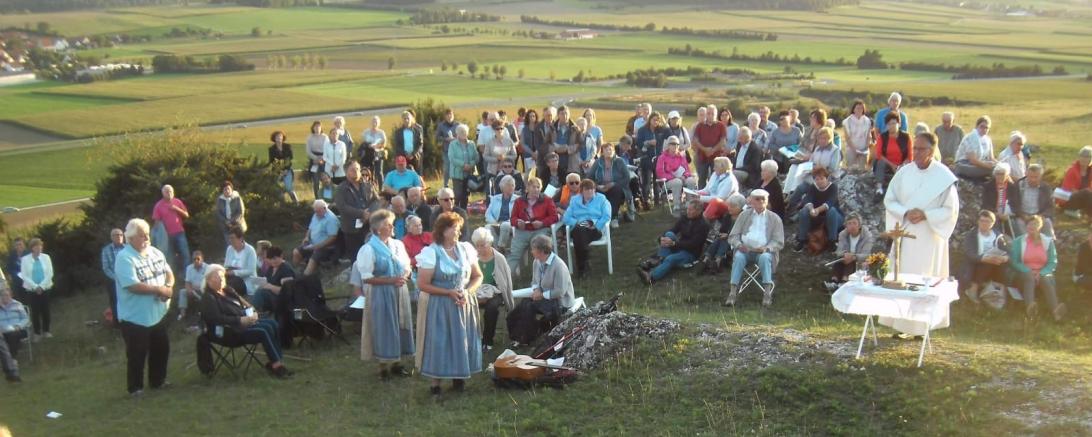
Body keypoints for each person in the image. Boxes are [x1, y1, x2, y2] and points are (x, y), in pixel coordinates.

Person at [414, 212, 484, 397]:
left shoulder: (466, 249)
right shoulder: (431, 253)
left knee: (462, 338)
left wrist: (467, 292)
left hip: (462, 303)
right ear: (443, 231)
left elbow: (477, 276)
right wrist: (448, 292)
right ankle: (435, 384)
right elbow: (422, 284)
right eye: (454, 228)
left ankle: (458, 377)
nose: (458, 232)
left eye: (459, 228)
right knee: (440, 340)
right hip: (440, 304)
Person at [884, 132, 960, 277]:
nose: (916, 152)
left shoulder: (943, 177)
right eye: (915, 148)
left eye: (921, 149)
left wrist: (926, 215)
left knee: (925, 277)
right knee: (902, 276)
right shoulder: (904, 173)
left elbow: (951, 210)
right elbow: (890, 200)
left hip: (929, 235)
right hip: (906, 231)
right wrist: (905, 212)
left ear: (930, 151)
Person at [114, 218, 174, 396]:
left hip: (157, 313)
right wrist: (158, 289)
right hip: (135, 317)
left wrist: (168, 287)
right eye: (142, 236)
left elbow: (168, 272)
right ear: (130, 239)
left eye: (147, 234)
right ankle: (135, 388)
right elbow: (132, 285)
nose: (146, 238)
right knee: (137, 354)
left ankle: (158, 381)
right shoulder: (124, 258)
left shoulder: (155, 252)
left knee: (161, 348)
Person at [201, 264, 291, 378]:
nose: (222, 279)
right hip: (229, 332)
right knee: (263, 331)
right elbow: (217, 319)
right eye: (218, 276)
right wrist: (239, 320)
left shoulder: (228, 291)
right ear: (209, 280)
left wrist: (252, 314)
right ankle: (276, 366)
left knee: (272, 324)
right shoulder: (208, 298)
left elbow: (244, 305)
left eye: (223, 276)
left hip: (243, 324)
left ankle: (276, 362)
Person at [354, 210, 415, 379]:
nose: (392, 227)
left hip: (398, 289)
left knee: (399, 324)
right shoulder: (368, 249)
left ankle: (396, 363)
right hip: (380, 293)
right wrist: (391, 281)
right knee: (383, 326)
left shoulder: (397, 245)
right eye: (389, 225)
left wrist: (404, 276)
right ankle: (383, 366)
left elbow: (407, 265)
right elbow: (367, 278)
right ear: (379, 229)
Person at [507, 234, 574, 346]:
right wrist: (537, 289)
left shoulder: (559, 266)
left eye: (533, 249)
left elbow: (560, 291)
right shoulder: (537, 262)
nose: (531, 251)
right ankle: (518, 337)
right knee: (521, 306)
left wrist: (542, 295)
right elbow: (534, 282)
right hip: (543, 296)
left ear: (542, 251)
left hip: (560, 302)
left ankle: (527, 338)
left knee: (529, 307)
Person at [726, 189, 785, 307]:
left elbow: (779, 241)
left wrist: (767, 248)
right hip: (745, 250)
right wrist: (739, 245)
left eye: (764, 199)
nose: (761, 201)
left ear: (767, 201)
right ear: (751, 201)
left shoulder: (775, 218)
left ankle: (767, 293)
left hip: (763, 251)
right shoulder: (744, 215)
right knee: (738, 257)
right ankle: (732, 293)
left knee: (765, 258)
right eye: (757, 199)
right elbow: (733, 236)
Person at [637, 200, 709, 285]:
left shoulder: (703, 225)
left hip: (691, 253)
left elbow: (693, 244)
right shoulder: (684, 218)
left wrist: (674, 244)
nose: (688, 211)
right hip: (680, 246)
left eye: (690, 210)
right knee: (669, 234)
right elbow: (674, 229)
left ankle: (651, 277)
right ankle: (659, 259)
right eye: (687, 209)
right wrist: (662, 238)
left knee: (670, 259)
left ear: (699, 211)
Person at [1010, 215, 1064, 320]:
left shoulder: (1048, 242)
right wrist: (1028, 270)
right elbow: (1014, 261)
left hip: (1043, 272)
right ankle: (1031, 311)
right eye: (1030, 224)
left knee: (1046, 279)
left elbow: (1052, 262)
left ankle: (1056, 311)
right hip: (1024, 272)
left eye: (1035, 224)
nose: (1032, 226)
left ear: (1040, 227)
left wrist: (1041, 273)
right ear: (1026, 226)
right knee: (1029, 278)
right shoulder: (1018, 241)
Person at [470, 228, 514, 351]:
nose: (480, 249)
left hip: (496, 291)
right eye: (477, 246)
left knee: (491, 308)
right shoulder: (472, 258)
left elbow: (505, 283)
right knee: (466, 306)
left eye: (483, 245)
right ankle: (472, 338)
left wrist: (488, 295)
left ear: (489, 243)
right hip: (475, 291)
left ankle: (487, 340)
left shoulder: (499, 258)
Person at [508, 177, 559, 274]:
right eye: (533, 187)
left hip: (540, 230)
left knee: (541, 250)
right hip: (523, 230)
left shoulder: (547, 200)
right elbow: (512, 218)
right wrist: (518, 222)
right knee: (514, 254)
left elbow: (554, 217)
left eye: (538, 187)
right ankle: (503, 281)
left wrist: (542, 223)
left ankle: (545, 277)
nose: (536, 189)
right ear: (527, 188)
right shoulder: (519, 201)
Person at [562, 179, 612, 278]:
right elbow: (566, 217)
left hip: (594, 228)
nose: (590, 191)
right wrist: (576, 222)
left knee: (579, 235)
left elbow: (607, 216)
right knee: (580, 231)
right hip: (578, 227)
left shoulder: (601, 199)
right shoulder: (574, 200)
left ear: (595, 190)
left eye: (592, 189)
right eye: (587, 189)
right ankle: (584, 265)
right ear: (581, 191)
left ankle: (582, 268)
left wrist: (596, 226)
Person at [959, 210, 1009, 305]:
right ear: (978, 222)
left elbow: (1007, 250)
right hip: (975, 262)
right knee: (988, 263)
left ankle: (999, 294)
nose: (984, 223)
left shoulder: (997, 235)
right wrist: (984, 258)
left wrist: (1005, 258)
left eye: (987, 221)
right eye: (982, 221)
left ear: (992, 223)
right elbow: (969, 253)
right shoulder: (972, 235)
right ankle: (973, 289)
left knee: (1003, 265)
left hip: (994, 261)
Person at [336, 161, 379, 263]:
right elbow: (342, 207)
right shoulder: (341, 188)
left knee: (370, 253)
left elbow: (376, 200)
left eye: (358, 169)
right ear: (346, 172)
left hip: (368, 225)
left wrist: (370, 214)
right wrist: (361, 213)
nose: (356, 172)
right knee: (355, 257)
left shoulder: (368, 185)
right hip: (351, 228)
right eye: (353, 169)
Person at [793, 167, 843, 253]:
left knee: (832, 211)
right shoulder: (813, 187)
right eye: (817, 179)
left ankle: (832, 241)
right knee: (804, 211)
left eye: (822, 178)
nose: (819, 181)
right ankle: (802, 240)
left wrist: (817, 210)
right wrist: (812, 209)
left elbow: (830, 202)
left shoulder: (833, 187)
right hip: (818, 216)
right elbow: (808, 199)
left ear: (826, 178)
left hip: (833, 217)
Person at [698, 193, 746, 275]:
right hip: (726, 239)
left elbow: (743, 234)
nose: (729, 208)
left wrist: (727, 235)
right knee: (720, 240)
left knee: (725, 241)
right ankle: (709, 260)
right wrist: (722, 234)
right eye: (729, 205)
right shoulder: (727, 216)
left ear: (740, 207)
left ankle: (714, 261)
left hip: (738, 242)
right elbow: (722, 229)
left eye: (732, 206)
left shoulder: (744, 218)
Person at [293, 199, 340, 276]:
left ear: (325, 208)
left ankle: (305, 277)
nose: (316, 213)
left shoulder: (331, 219)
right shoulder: (316, 215)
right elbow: (310, 229)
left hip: (324, 247)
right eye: (315, 211)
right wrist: (307, 237)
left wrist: (317, 246)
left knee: (313, 260)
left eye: (318, 211)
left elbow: (333, 238)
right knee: (296, 252)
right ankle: (296, 271)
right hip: (311, 244)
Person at [827, 213, 874, 289]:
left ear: (859, 225)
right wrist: (845, 254)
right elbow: (839, 251)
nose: (852, 226)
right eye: (849, 223)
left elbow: (866, 254)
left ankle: (844, 281)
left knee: (851, 261)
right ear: (846, 226)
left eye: (855, 223)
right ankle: (834, 281)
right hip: (845, 259)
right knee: (839, 260)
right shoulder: (843, 234)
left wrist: (854, 256)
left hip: (860, 262)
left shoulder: (867, 236)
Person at [19, 238, 53, 341]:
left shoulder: (46, 257)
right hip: (31, 290)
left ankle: (46, 331)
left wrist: (41, 286)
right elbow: (24, 275)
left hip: (45, 288)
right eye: (36, 246)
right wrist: (35, 287)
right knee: (35, 312)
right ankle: (37, 333)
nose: (39, 248)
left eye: (40, 246)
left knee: (45, 310)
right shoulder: (25, 259)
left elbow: (50, 273)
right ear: (32, 248)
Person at [152, 184, 191, 274]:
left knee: (185, 255)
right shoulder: (158, 205)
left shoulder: (177, 202)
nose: (169, 193)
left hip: (180, 232)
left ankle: (187, 276)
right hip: (167, 235)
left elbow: (186, 215)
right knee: (169, 257)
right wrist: (158, 236)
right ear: (163, 193)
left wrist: (176, 209)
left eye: (170, 191)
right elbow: (156, 222)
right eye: (167, 191)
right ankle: (172, 277)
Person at [591, 142, 630, 228]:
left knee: (616, 191)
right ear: (602, 152)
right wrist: (597, 186)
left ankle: (613, 217)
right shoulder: (597, 162)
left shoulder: (620, 161)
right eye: (606, 150)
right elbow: (589, 177)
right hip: (601, 186)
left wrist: (613, 184)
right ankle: (600, 218)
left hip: (616, 186)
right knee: (596, 193)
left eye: (610, 149)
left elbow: (627, 177)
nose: (609, 151)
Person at [656, 136, 697, 216]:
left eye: (677, 144)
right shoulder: (662, 158)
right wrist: (675, 177)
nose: (675, 146)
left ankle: (689, 203)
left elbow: (687, 170)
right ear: (668, 145)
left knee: (691, 180)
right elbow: (660, 173)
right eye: (672, 144)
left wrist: (684, 176)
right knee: (677, 182)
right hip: (667, 181)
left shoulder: (681, 157)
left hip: (681, 178)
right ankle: (676, 206)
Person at [873, 112, 912, 195]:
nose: (891, 126)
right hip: (887, 165)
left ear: (899, 124)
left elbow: (910, 156)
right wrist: (892, 165)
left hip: (903, 164)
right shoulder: (882, 137)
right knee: (880, 162)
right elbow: (879, 155)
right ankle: (879, 188)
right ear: (886, 125)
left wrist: (901, 166)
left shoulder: (906, 137)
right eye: (889, 124)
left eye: (894, 123)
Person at [636, 111, 669, 208]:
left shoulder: (661, 130)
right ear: (650, 119)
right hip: (646, 158)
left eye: (658, 120)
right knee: (646, 181)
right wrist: (648, 142)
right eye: (654, 120)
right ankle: (645, 202)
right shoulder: (642, 130)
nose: (656, 122)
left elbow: (670, 134)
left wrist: (665, 123)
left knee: (657, 181)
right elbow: (638, 143)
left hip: (658, 159)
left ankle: (657, 201)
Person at [693, 104, 727, 188]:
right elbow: (696, 140)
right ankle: (701, 198)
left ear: (716, 114)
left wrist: (713, 150)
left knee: (715, 178)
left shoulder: (721, 126)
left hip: (716, 157)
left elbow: (723, 141)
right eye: (708, 113)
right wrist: (705, 149)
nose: (710, 115)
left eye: (713, 113)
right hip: (702, 156)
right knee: (701, 178)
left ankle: (713, 197)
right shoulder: (700, 126)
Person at [1015, 164, 1055, 236]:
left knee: (1047, 222)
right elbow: (1014, 204)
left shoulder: (1046, 187)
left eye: (1036, 177)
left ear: (1041, 176)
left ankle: (1050, 245)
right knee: (1019, 223)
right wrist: (1022, 215)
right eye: (1030, 177)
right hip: (1023, 216)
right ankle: (1026, 245)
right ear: (1026, 174)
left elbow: (1050, 207)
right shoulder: (1019, 185)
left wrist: (1041, 216)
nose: (1033, 179)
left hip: (1039, 215)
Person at [446, 124, 478, 210]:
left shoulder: (471, 144)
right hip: (457, 173)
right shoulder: (453, 144)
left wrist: (470, 165)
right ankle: (455, 211)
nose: (463, 133)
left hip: (469, 172)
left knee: (466, 194)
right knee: (458, 194)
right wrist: (463, 165)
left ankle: (463, 211)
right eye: (461, 132)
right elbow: (451, 158)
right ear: (457, 133)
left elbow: (476, 157)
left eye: (465, 132)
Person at [223, 227, 260, 303]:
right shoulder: (229, 249)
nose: (230, 241)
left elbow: (251, 270)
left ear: (241, 238)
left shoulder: (250, 250)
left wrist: (234, 272)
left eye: (233, 238)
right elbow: (226, 265)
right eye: (230, 238)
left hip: (245, 281)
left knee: (229, 286)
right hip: (231, 277)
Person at [0, 287, 29, 383]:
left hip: (17, 330)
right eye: (3, 296)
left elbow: (26, 319)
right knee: (4, 340)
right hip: (3, 332)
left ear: (11, 296)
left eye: (7, 295)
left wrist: (18, 326)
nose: (5, 297)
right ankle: (13, 369)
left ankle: (11, 362)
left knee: (11, 337)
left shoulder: (17, 305)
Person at [955, 116, 996, 181]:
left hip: (979, 163)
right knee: (994, 170)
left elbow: (991, 158)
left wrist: (999, 164)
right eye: (982, 126)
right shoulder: (971, 137)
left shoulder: (988, 139)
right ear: (977, 126)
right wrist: (988, 166)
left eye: (986, 128)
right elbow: (972, 160)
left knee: (1001, 168)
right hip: (964, 164)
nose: (984, 129)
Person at [981, 163, 1018, 235]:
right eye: (998, 174)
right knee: (992, 222)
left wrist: (1009, 214)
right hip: (993, 213)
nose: (1000, 176)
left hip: (1009, 215)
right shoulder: (988, 186)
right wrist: (996, 213)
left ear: (1007, 175)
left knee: (1016, 224)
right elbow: (985, 203)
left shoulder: (1013, 187)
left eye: (1002, 174)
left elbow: (1016, 203)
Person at [1057, 146, 1092, 221]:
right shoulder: (1072, 170)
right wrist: (1082, 193)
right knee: (1086, 192)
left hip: (1085, 199)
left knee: (1087, 193)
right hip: (1068, 199)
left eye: (1087, 157)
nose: (1084, 159)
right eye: (1082, 156)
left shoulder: (1090, 171)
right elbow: (1067, 189)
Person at [486, 175, 518, 250]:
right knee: (488, 227)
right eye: (508, 185)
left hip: (510, 223)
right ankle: (497, 249)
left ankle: (500, 247)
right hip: (496, 222)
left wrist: (505, 222)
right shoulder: (495, 198)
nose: (511, 187)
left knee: (505, 225)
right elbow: (488, 213)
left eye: (512, 185)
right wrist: (494, 222)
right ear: (502, 187)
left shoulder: (518, 200)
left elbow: (518, 215)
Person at [101, 228, 125, 325]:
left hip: (128, 278)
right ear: (111, 237)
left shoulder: (128, 248)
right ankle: (117, 323)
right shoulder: (106, 250)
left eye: (120, 235)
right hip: (113, 279)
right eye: (116, 235)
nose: (119, 237)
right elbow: (106, 268)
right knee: (115, 301)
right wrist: (116, 278)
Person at [842, 100, 873, 172]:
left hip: (863, 149)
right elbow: (847, 138)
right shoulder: (847, 121)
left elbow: (869, 135)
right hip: (851, 149)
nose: (859, 110)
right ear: (854, 109)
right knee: (852, 170)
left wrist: (865, 148)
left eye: (861, 108)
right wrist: (854, 150)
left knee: (862, 170)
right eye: (858, 108)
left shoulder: (867, 121)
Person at [359, 116, 389, 188]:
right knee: (368, 171)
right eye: (373, 121)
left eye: (376, 122)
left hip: (378, 154)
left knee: (379, 172)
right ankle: (368, 187)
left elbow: (384, 143)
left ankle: (381, 188)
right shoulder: (366, 132)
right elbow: (362, 142)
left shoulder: (381, 132)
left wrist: (377, 146)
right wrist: (368, 146)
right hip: (368, 155)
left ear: (378, 123)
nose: (374, 123)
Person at [268, 130, 297, 202]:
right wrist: (279, 171)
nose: (279, 138)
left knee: (289, 188)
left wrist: (286, 170)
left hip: (288, 170)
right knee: (279, 189)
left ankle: (296, 203)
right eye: (277, 137)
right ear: (274, 138)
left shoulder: (288, 146)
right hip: (277, 171)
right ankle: (283, 205)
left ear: (283, 138)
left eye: (280, 136)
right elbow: (271, 161)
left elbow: (291, 159)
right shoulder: (271, 149)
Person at [182, 251, 208, 324]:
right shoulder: (189, 268)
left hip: (204, 290)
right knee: (182, 292)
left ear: (202, 259)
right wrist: (188, 289)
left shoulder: (208, 267)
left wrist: (201, 288)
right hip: (192, 290)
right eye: (194, 259)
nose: (196, 261)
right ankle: (183, 314)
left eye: (198, 259)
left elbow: (209, 282)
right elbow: (187, 282)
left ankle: (199, 316)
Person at [306, 120, 327, 199]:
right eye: (315, 127)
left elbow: (327, 149)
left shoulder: (325, 137)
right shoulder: (309, 137)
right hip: (314, 160)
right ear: (313, 128)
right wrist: (316, 159)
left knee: (325, 181)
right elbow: (308, 151)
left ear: (321, 128)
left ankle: (327, 198)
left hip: (324, 160)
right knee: (316, 181)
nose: (317, 128)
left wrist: (322, 159)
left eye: (319, 126)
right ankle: (317, 198)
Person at [520, 109, 541, 177]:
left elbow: (542, 142)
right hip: (528, 156)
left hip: (539, 155)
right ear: (527, 118)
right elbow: (523, 143)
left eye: (533, 116)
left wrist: (536, 152)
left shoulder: (540, 128)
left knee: (539, 174)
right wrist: (532, 153)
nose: (532, 118)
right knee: (528, 175)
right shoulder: (524, 129)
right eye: (530, 116)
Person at [6, 238, 26, 304]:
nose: (19, 246)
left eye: (20, 244)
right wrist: (16, 274)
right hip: (17, 281)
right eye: (17, 245)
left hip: (28, 280)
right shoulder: (11, 255)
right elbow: (9, 268)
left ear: (24, 245)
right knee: (19, 300)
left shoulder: (28, 254)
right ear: (14, 246)